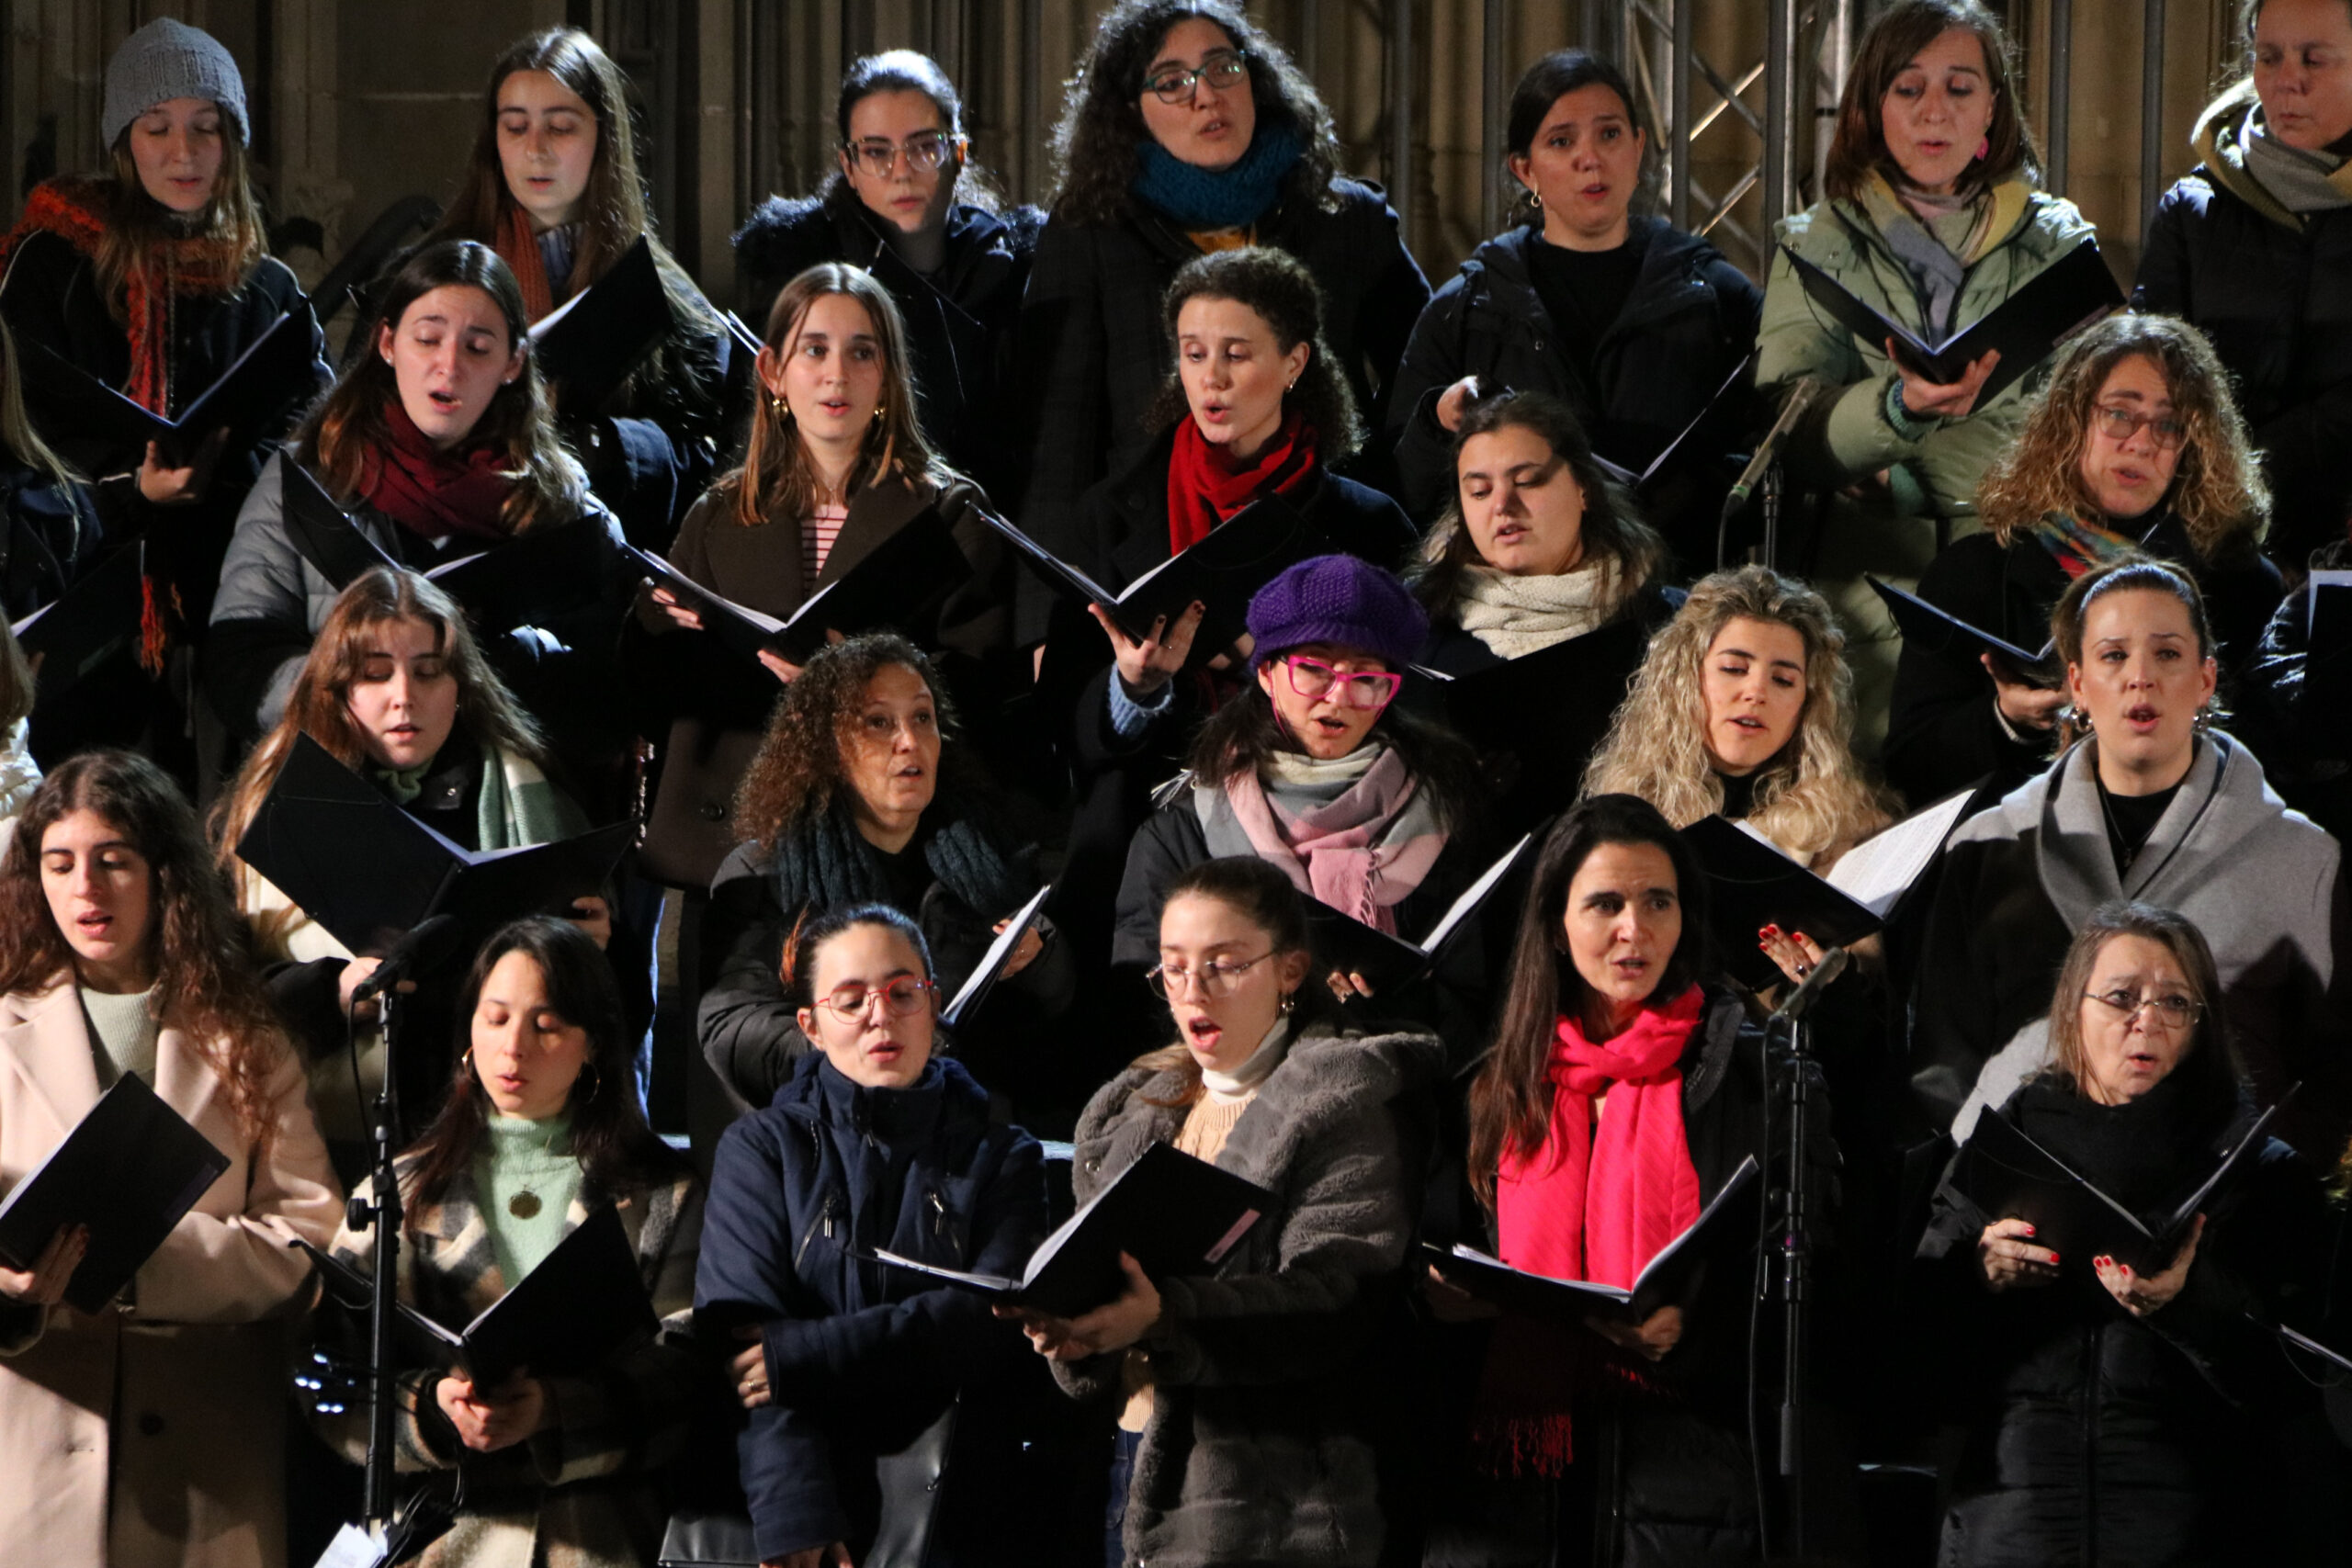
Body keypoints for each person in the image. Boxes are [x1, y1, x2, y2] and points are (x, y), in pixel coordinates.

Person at [1004, 854, 1442, 1568]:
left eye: (1225, 965)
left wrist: (1164, 1317)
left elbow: (1335, 1299)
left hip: (1273, 1509)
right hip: (1131, 1470)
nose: (1193, 990)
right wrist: (1076, 1326)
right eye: (1174, 968)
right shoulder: (1132, 1108)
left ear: (1290, 969)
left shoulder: (1344, 1099)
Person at [0, 750, 342, 1568]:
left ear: (163, 873)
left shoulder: (248, 1038)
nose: (86, 888)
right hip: (30, 1458)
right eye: (60, 863)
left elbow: (310, 1239)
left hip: (206, 1466)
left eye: (113, 860)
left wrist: (147, 1262)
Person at [1918, 901, 2334, 1563]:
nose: (2148, 1020)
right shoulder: (2001, 1153)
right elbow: (1915, 1359)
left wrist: (2189, 1303)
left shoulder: (2262, 1174)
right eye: (2121, 998)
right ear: (2073, 1008)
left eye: (2175, 1002)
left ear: (2201, 1024)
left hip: (2192, 1532)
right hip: (2013, 1527)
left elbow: (2305, 1382)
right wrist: (1980, 1272)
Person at [1428, 794, 1773, 1565]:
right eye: (1606, 904)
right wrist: (1443, 1297)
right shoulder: (1492, 1085)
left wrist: (1694, 1330)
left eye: (1658, 902)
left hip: (1681, 1480)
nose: (1634, 928)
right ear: (1556, 924)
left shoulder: (1738, 1073)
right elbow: (1446, 1254)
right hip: (1511, 1497)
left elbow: (1792, 1277)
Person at [1014, 0, 1429, 642]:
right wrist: (1045, 630)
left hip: (1327, 547)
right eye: (1171, 82)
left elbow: (1420, 376)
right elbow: (1057, 445)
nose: (1205, 95)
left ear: (1255, 79)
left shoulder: (1345, 217)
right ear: (1131, 111)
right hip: (1158, 558)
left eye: (1222, 68)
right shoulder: (1090, 230)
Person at [1911, 557, 2352, 1160]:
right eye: (2114, 655)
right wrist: (1986, 1186)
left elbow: (2332, 1072)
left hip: (2224, 1201)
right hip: (2022, 1197)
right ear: (2078, 683)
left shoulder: (2304, 858)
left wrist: (2259, 1186)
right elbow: (1942, 1067)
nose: (2140, 677)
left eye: (2167, 654)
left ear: (2205, 678)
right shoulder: (1987, 847)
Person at [311, 917, 702, 1568]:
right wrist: (431, 1411)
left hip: (604, 1540)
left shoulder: (662, 1191)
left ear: (593, 1044)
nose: (513, 1047)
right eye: (494, 1019)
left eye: (545, 1025)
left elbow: (690, 1379)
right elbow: (326, 1373)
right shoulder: (397, 1189)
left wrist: (554, 1411)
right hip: (443, 1539)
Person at [1756, 0, 2093, 747]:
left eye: (1959, 87)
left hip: (2029, 596)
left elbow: (2087, 436)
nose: (1934, 111)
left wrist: (1906, 479)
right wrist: (1895, 408)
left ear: (1993, 107)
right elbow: (1791, 429)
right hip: (1867, 604)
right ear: (1872, 108)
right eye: (1908, 88)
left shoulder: (2061, 245)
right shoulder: (1815, 245)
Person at [0, 18, 329, 768]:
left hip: (228, 607)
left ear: (232, 143)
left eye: (206, 128)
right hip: (84, 607)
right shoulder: (52, 264)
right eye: (158, 128)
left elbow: (316, 439)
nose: (184, 152)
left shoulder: (269, 289)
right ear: (124, 142)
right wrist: (130, 487)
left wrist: (228, 467)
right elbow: (20, 441)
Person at [634, 262, 1015, 893]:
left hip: (885, 847)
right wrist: (655, 620)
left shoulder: (949, 513)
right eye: (814, 350)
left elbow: (983, 689)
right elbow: (651, 692)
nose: (837, 373)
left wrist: (858, 681)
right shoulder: (719, 513)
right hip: (733, 845)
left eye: (861, 352)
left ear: (888, 375)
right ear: (772, 372)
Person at [695, 902, 1050, 1567]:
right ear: (811, 1025)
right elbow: (742, 1345)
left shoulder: (1005, 1156)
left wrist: (804, 1353)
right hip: (805, 1503)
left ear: (933, 1002)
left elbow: (991, 1320)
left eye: (901, 992)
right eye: (850, 1000)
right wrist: (794, 1510)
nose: (880, 1016)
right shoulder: (761, 1147)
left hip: (961, 1510)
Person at [212, 568, 608, 1160]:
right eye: (376, 674)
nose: (404, 696)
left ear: (460, 685)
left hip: (493, 1134)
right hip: (318, 1136)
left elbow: (617, 1017)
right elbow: (215, 986)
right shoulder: (270, 805)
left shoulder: (532, 798)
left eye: (427, 672)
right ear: (337, 687)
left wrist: (592, 951)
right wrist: (333, 993)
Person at [206, 240, 628, 791]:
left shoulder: (563, 503)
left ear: (513, 362)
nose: (448, 365)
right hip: (340, 789)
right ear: (387, 343)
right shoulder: (311, 475)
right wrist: (359, 688)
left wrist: (488, 665)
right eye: (427, 339)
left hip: (504, 798)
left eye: (478, 348)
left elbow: (606, 698)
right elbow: (238, 661)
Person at [1886, 311, 2284, 807]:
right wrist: (2008, 722)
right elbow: (1909, 764)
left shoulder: (2242, 584)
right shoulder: (1974, 573)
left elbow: (2275, 764)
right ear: (2069, 422)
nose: (2141, 443)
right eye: (2119, 414)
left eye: (2169, 424)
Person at [1385, 49, 1760, 558]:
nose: (1591, 158)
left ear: (1638, 147)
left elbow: (1771, 457)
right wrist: (1439, 419)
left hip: (1676, 585)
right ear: (1525, 170)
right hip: (1511, 592)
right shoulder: (1467, 310)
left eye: (1609, 134)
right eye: (1562, 141)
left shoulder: (1717, 296)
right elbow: (1405, 493)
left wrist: (1700, 491)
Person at [697, 634, 1068, 1117]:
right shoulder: (766, 870)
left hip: (963, 1124)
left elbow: (1056, 1011)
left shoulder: (987, 850)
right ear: (829, 747)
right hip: (826, 1125)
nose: (909, 741)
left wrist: (1041, 959)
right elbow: (733, 1027)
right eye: (878, 722)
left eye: (922, 718)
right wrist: (860, 1044)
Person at [1111, 554, 1488, 1011]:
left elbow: (1473, 1001)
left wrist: (1387, 1008)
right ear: (1267, 675)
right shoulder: (1181, 835)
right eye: (1314, 669)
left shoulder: (1441, 815)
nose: (1339, 697)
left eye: (1367, 677)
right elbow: (1145, 1007)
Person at [424, 26, 727, 544]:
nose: (535, 149)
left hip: (606, 553)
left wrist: (604, 444)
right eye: (515, 127)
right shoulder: (434, 273)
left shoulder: (662, 290)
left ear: (603, 137)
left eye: (560, 127)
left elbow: (707, 453)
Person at [732, 51, 1040, 502]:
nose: (901, 172)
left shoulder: (1015, 275)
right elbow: (753, 438)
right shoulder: (798, 277)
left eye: (924, 147)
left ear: (958, 153)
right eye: (876, 152)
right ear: (849, 167)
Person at [2134, 0, 2352, 570]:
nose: (2286, 82)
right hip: (2213, 538)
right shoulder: (2194, 208)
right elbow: (2153, 369)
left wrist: (2255, 461)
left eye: (2314, 60)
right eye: (2269, 57)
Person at [1586, 564, 1890, 867]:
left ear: (1808, 703)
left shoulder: (1847, 833)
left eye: (1783, 680)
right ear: (1684, 679)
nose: (1756, 692)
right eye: (1734, 669)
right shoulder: (1621, 820)